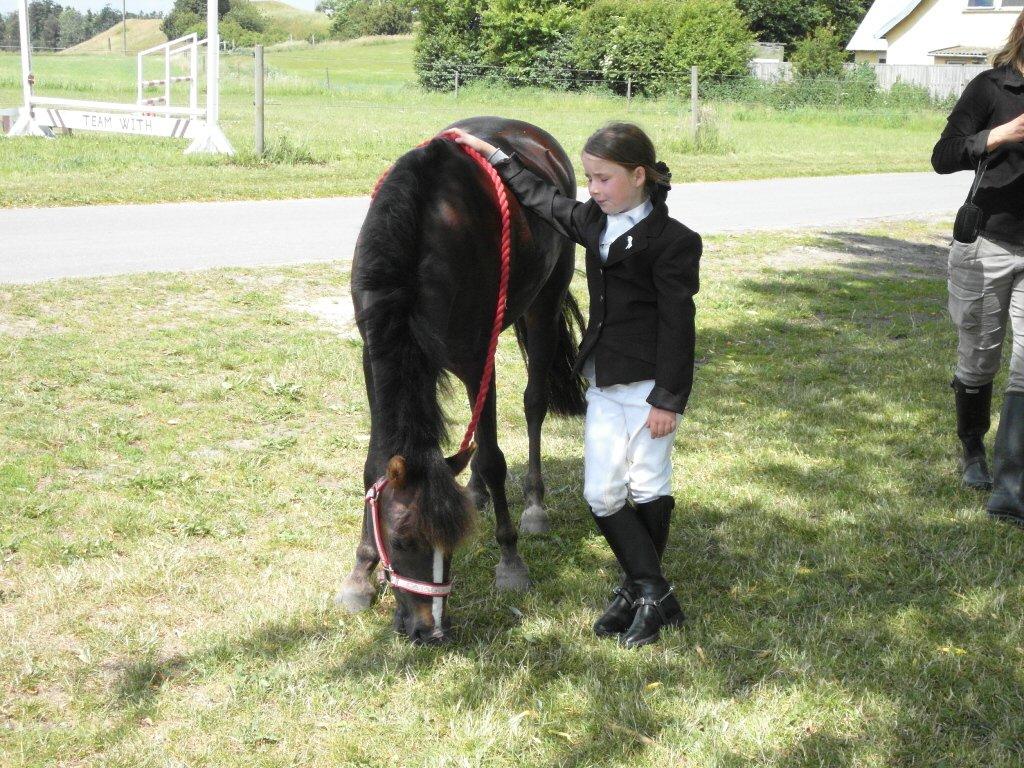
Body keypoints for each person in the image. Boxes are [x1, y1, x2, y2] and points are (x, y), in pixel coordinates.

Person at [451, 123, 702, 647]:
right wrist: (494, 155)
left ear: (639, 176)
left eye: (604, 179)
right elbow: (543, 198)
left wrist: (669, 399)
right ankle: (651, 591)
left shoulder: (675, 243)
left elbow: (680, 324)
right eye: (588, 178)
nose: (593, 189)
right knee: (602, 493)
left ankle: (643, 594)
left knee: (648, 486)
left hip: (650, 386)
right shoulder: (594, 222)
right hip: (603, 380)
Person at [932, 10, 1024, 523]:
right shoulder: (991, 87)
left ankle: (1011, 488)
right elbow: (942, 155)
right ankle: (973, 449)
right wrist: (997, 135)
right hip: (986, 243)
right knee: (980, 358)